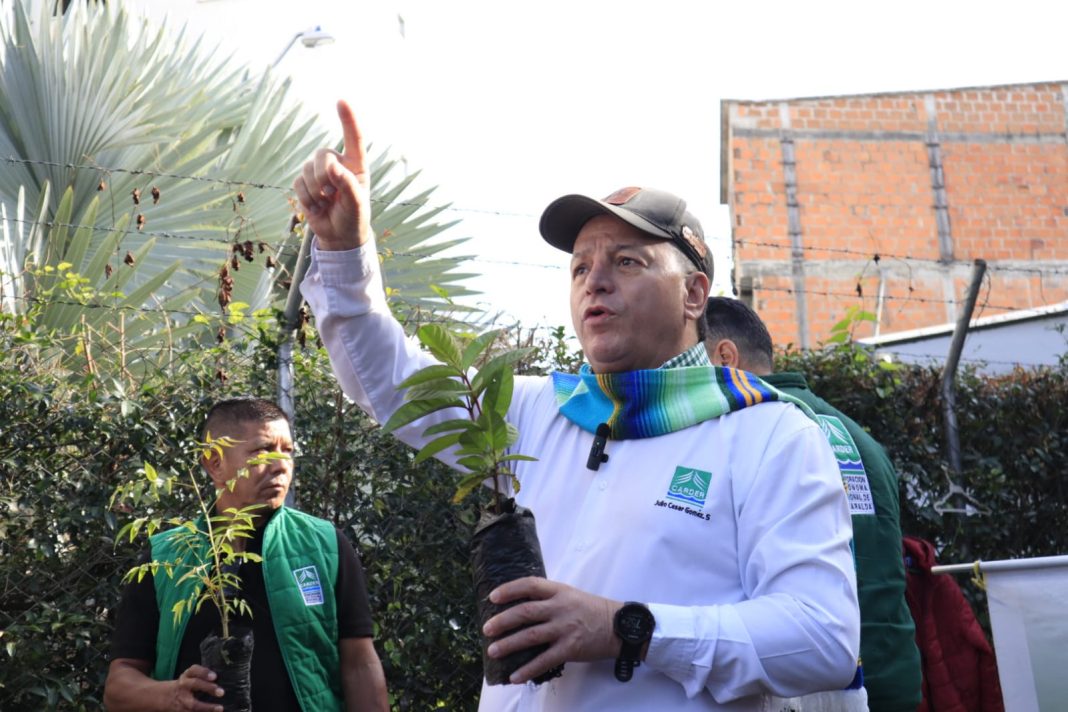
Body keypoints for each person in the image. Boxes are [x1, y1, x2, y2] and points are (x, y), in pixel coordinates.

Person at [294, 100, 860, 711]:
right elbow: (390, 380)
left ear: (695, 293)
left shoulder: (770, 435)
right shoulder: (536, 411)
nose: (595, 280)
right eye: (580, 266)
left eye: (627, 261)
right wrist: (345, 247)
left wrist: (625, 629)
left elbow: (820, 637)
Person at [704, 296, 923, 712]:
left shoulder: (757, 435)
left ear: (725, 356)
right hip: (893, 673)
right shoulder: (860, 438)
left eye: (691, 365)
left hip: (810, 686)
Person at [104, 397, 389, 712]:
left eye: (288, 451)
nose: (280, 465)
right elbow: (119, 685)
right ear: (215, 463)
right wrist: (172, 695)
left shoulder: (324, 545)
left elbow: (359, 663)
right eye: (261, 451)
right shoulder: (168, 555)